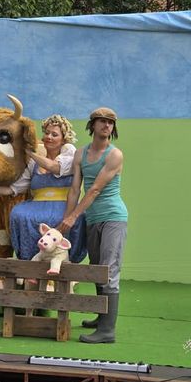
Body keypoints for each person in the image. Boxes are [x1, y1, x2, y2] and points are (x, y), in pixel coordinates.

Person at [58, 107, 127, 344]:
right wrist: (65, 221)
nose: (106, 125)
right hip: (93, 218)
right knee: (97, 268)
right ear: (92, 125)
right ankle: (101, 317)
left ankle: (107, 331)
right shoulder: (80, 154)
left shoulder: (114, 155)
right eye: (102, 121)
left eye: (110, 122)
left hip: (113, 217)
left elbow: (95, 189)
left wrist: (74, 217)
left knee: (109, 270)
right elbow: (74, 190)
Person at [0, 114, 87, 263]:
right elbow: (13, 189)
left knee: (77, 218)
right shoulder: (33, 164)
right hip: (36, 205)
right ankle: (29, 262)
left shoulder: (69, 157)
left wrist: (29, 152)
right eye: (47, 133)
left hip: (64, 205)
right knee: (18, 213)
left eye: (54, 134)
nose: (49, 137)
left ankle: (66, 262)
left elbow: (53, 167)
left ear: (63, 139)